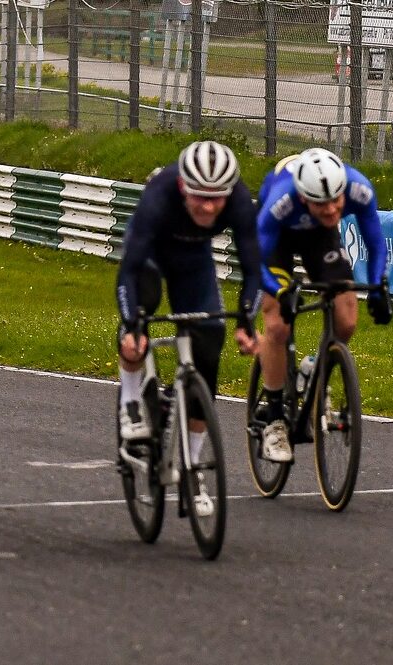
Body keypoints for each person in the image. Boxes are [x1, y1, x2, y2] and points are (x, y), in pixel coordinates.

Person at [115, 140, 262, 517]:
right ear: (183, 187)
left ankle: (192, 468)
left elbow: (254, 271)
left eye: (217, 198)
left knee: (209, 351)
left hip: (193, 263)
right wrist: (132, 323)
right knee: (136, 334)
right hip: (149, 256)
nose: (210, 206)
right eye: (200, 197)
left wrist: (247, 319)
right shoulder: (160, 193)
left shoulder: (239, 201)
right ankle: (131, 400)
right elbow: (127, 273)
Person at [254, 147, 393, 463]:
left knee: (346, 319)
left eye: (336, 200)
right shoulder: (281, 199)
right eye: (322, 202)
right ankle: (275, 418)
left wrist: (378, 288)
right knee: (277, 323)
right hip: (277, 242)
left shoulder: (358, 188)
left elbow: (375, 244)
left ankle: (314, 366)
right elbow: (255, 258)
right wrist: (278, 290)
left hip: (320, 238)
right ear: (304, 198)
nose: (332, 209)